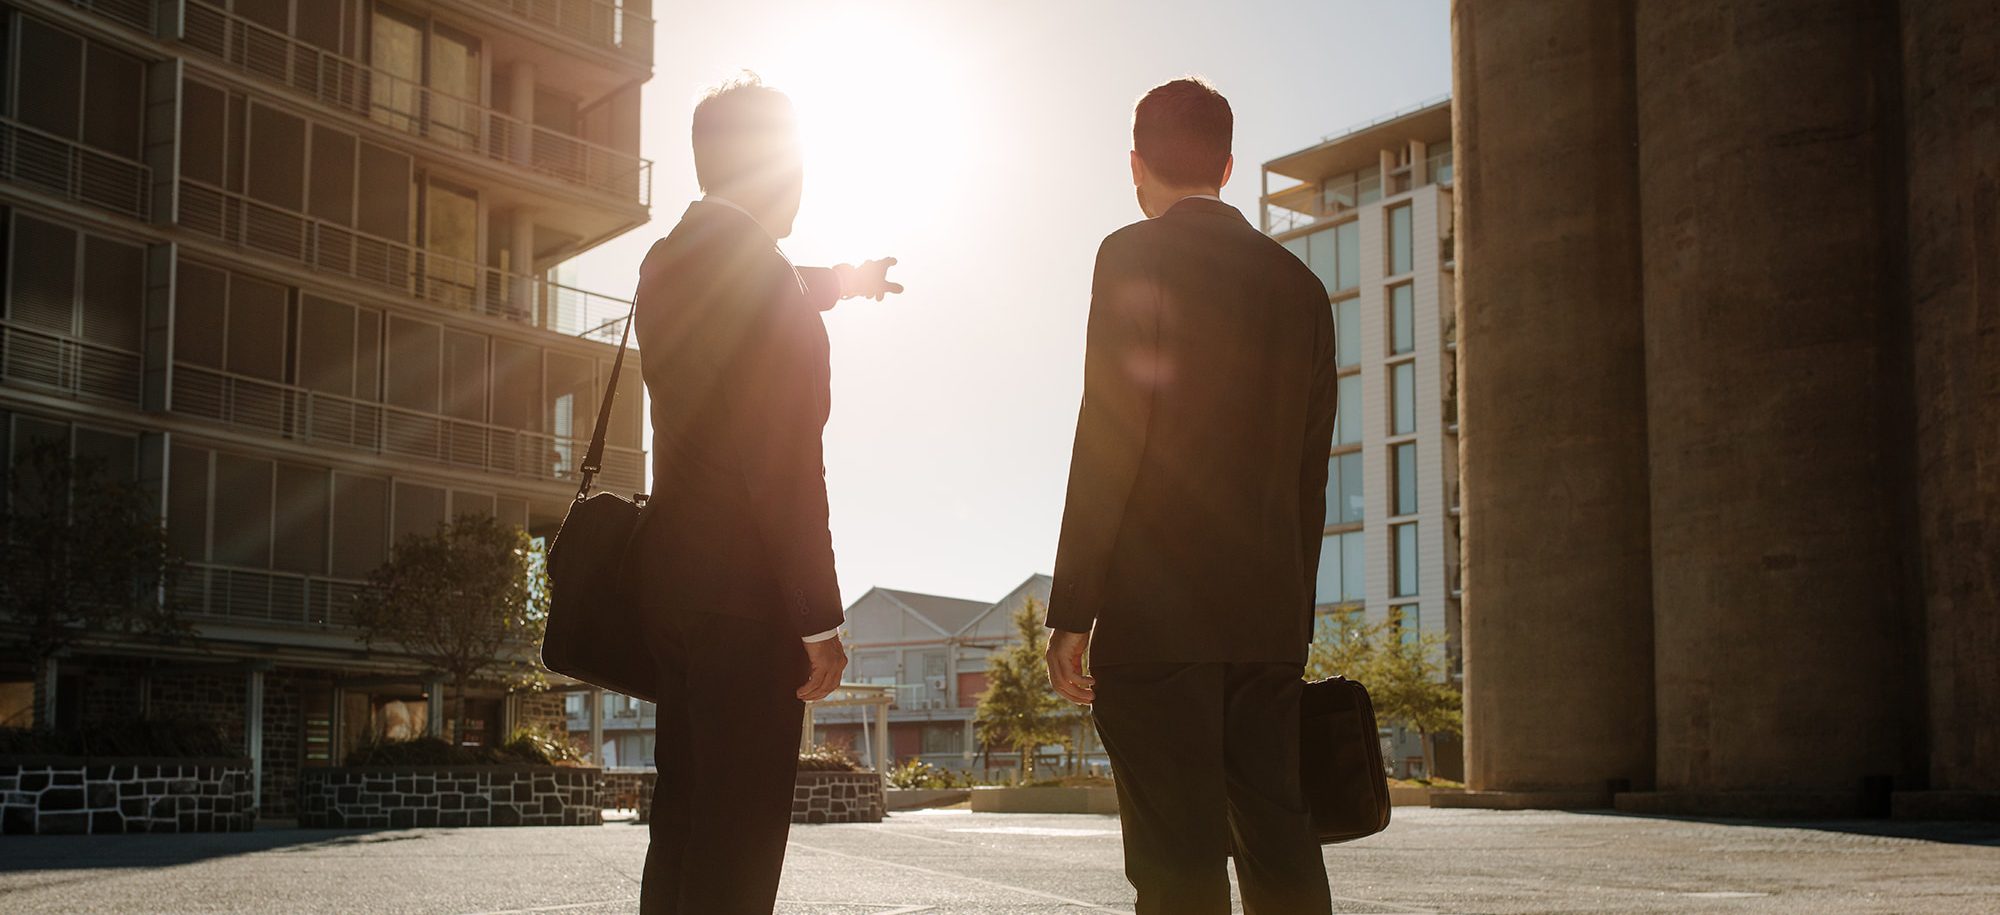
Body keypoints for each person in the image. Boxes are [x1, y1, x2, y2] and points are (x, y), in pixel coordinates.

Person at [1045, 77, 1337, 915]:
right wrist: (1290, 625)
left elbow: (1111, 433)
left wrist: (1074, 609)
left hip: (1157, 621)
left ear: (1135, 166)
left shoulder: (1133, 255)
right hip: (1267, 627)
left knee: (1178, 864)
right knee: (1282, 851)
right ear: (1229, 164)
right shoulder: (1303, 291)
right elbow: (1307, 481)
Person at [628, 73, 902, 915]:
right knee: (739, 842)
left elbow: (748, 285)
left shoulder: (668, 260)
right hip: (749, 608)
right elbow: (782, 466)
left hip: (675, 597)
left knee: (684, 820)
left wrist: (843, 280)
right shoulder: (764, 286)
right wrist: (819, 618)